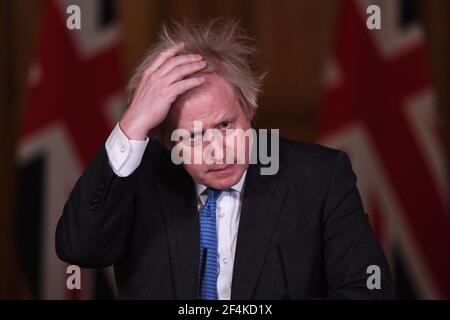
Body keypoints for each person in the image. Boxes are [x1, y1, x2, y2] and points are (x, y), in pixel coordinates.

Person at [55, 19, 392, 299]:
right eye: (192, 136)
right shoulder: (138, 178)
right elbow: (79, 248)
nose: (217, 151)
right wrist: (132, 124)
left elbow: (368, 290)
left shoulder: (319, 176)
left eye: (225, 125)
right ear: (167, 141)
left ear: (249, 108)